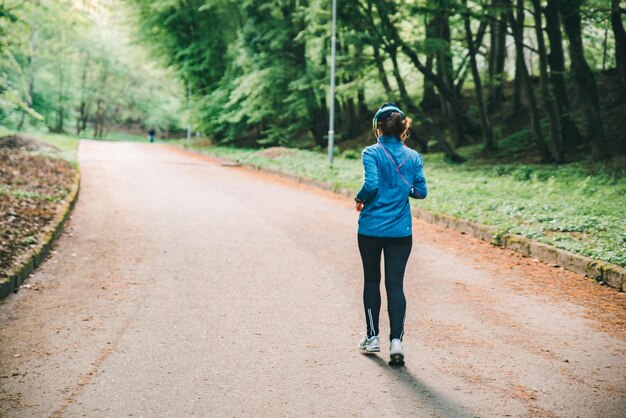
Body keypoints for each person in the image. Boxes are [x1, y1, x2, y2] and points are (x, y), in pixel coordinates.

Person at [355, 102, 427, 365]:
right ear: (400, 128)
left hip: (371, 228)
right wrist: (401, 187)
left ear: (378, 128)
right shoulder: (414, 157)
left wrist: (359, 197)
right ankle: (396, 342)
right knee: (395, 285)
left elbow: (371, 185)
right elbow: (420, 192)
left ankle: (372, 337)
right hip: (400, 231)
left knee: (372, 281)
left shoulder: (371, 153)